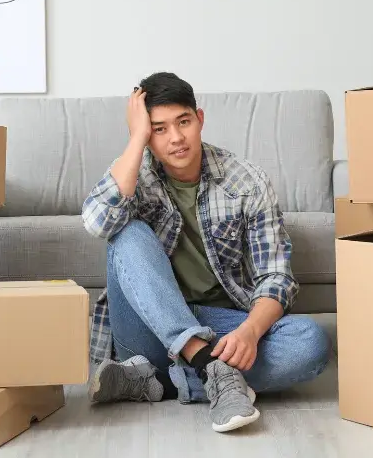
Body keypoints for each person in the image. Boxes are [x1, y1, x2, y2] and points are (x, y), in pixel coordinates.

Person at [81, 72, 332, 433]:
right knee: (129, 234)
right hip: (149, 327)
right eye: (159, 129)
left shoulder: (246, 181)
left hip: (222, 326)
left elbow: (276, 277)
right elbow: (98, 222)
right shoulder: (135, 176)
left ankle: (153, 382)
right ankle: (209, 369)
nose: (176, 138)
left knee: (310, 342)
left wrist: (249, 331)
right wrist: (136, 139)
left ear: (199, 119)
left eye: (183, 122)